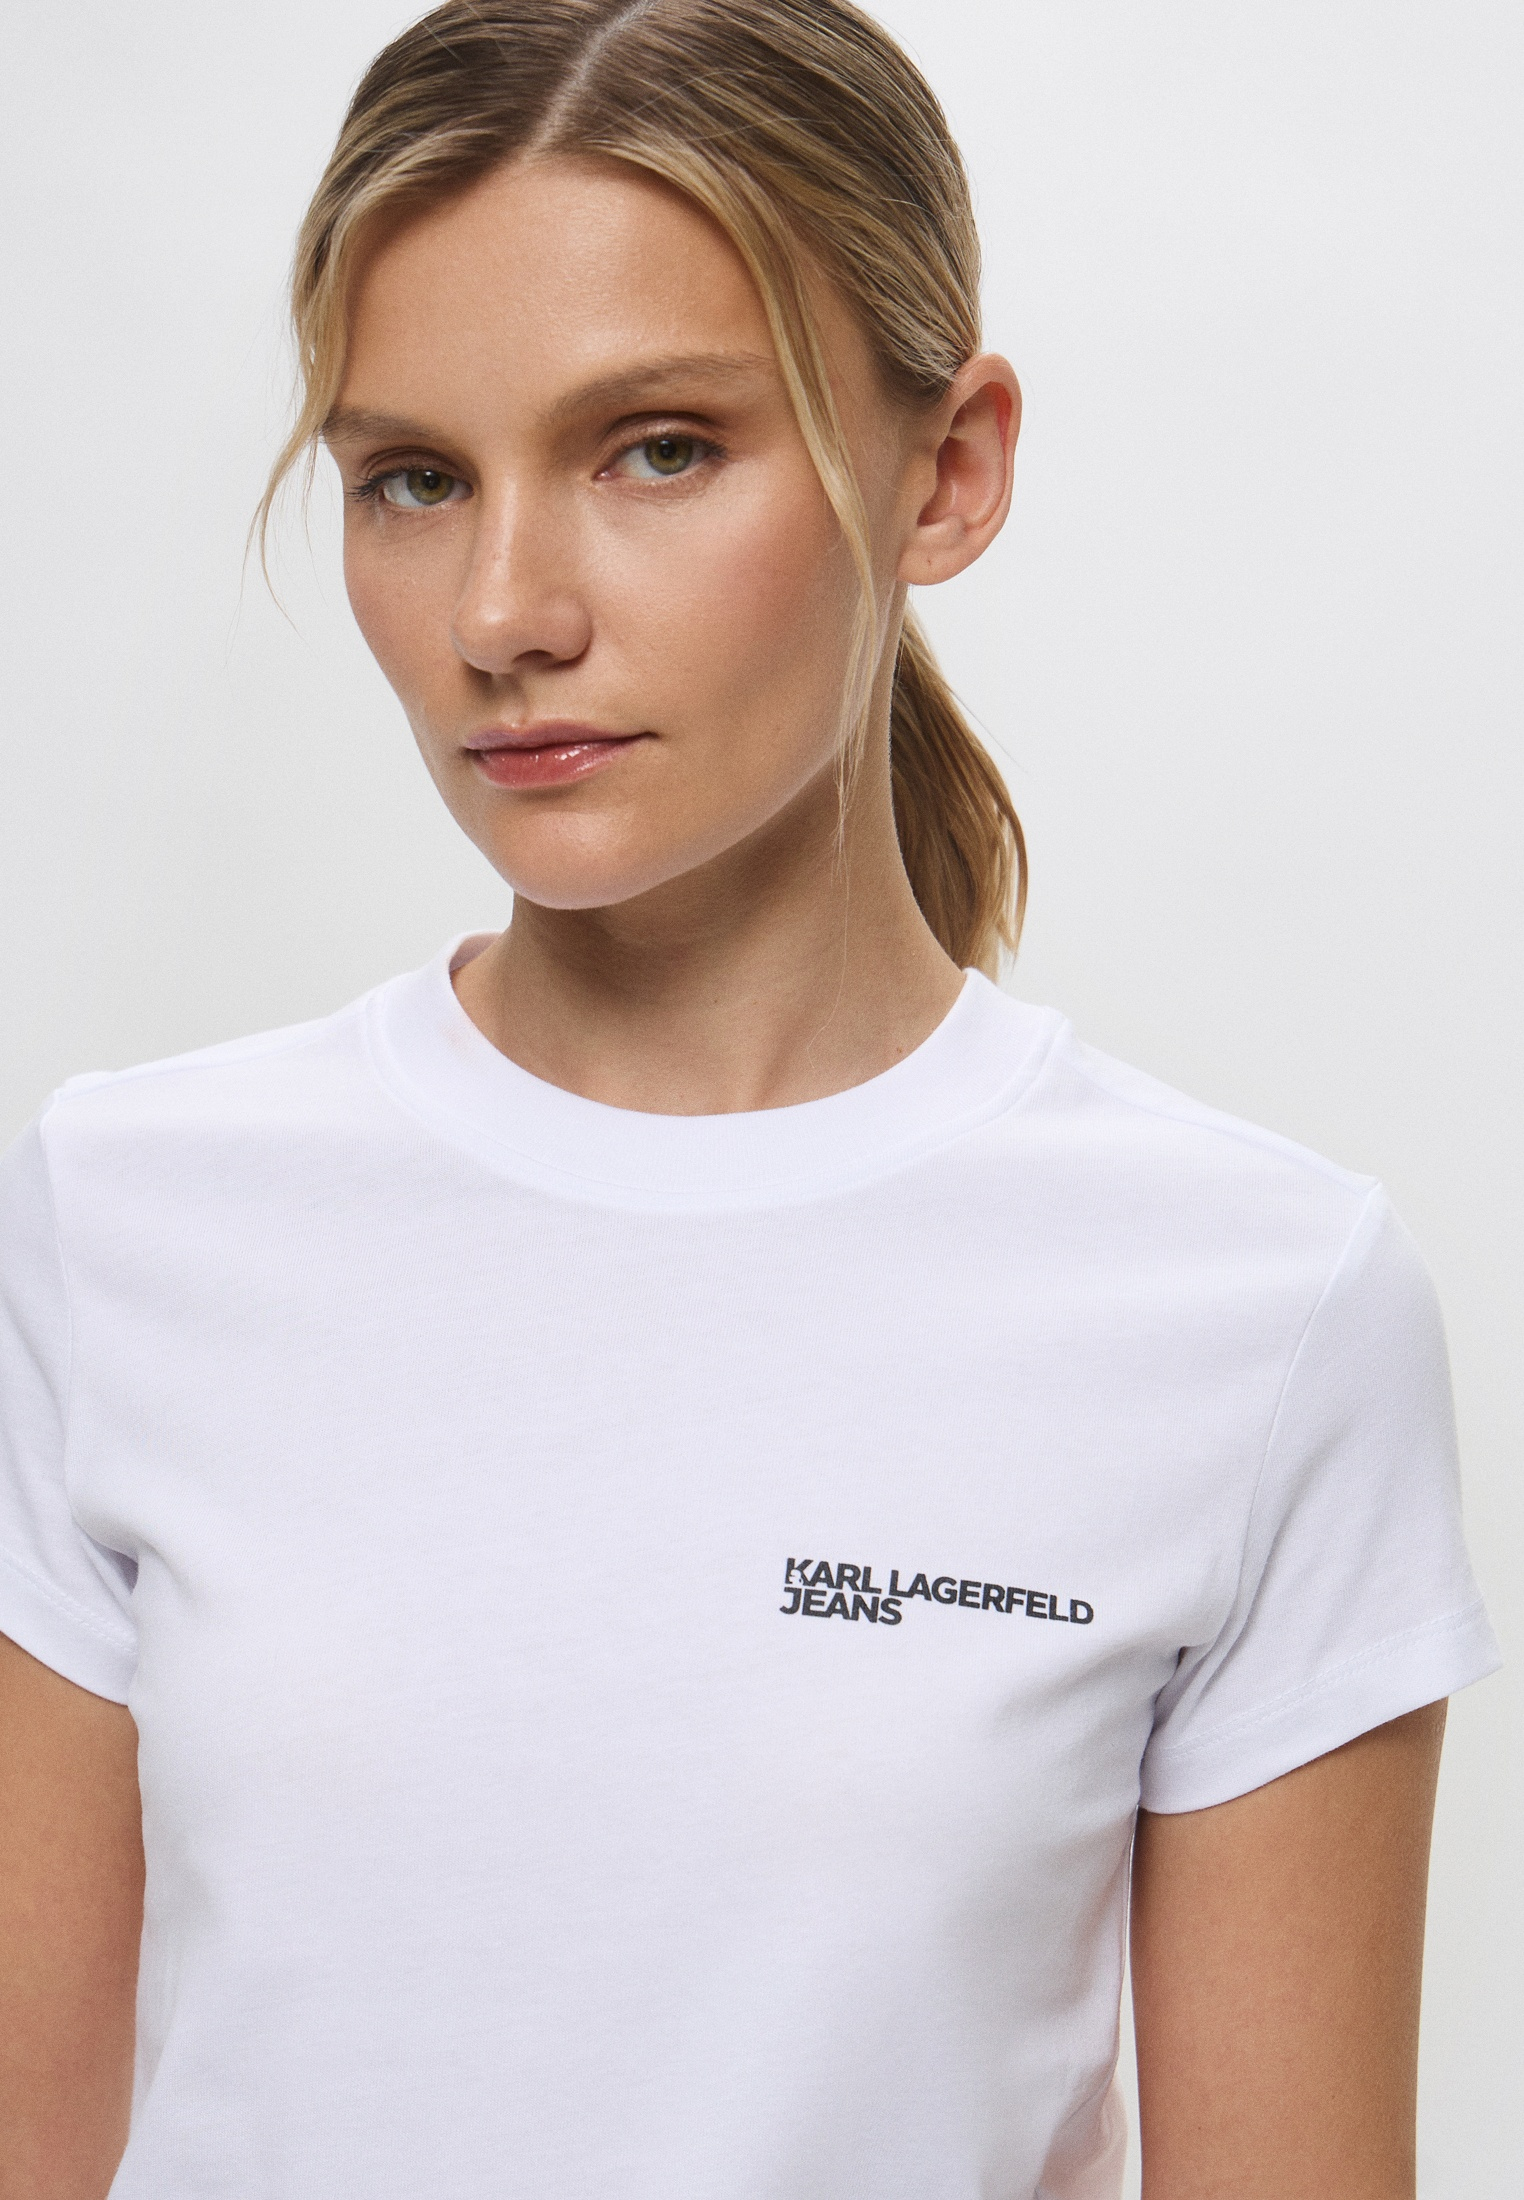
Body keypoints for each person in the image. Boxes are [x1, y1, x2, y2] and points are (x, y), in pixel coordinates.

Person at [0, 2, 1500, 2194]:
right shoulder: (125, 1221)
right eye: (412, 477)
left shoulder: (1261, 1308)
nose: (503, 611)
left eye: (656, 449)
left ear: (946, 470)